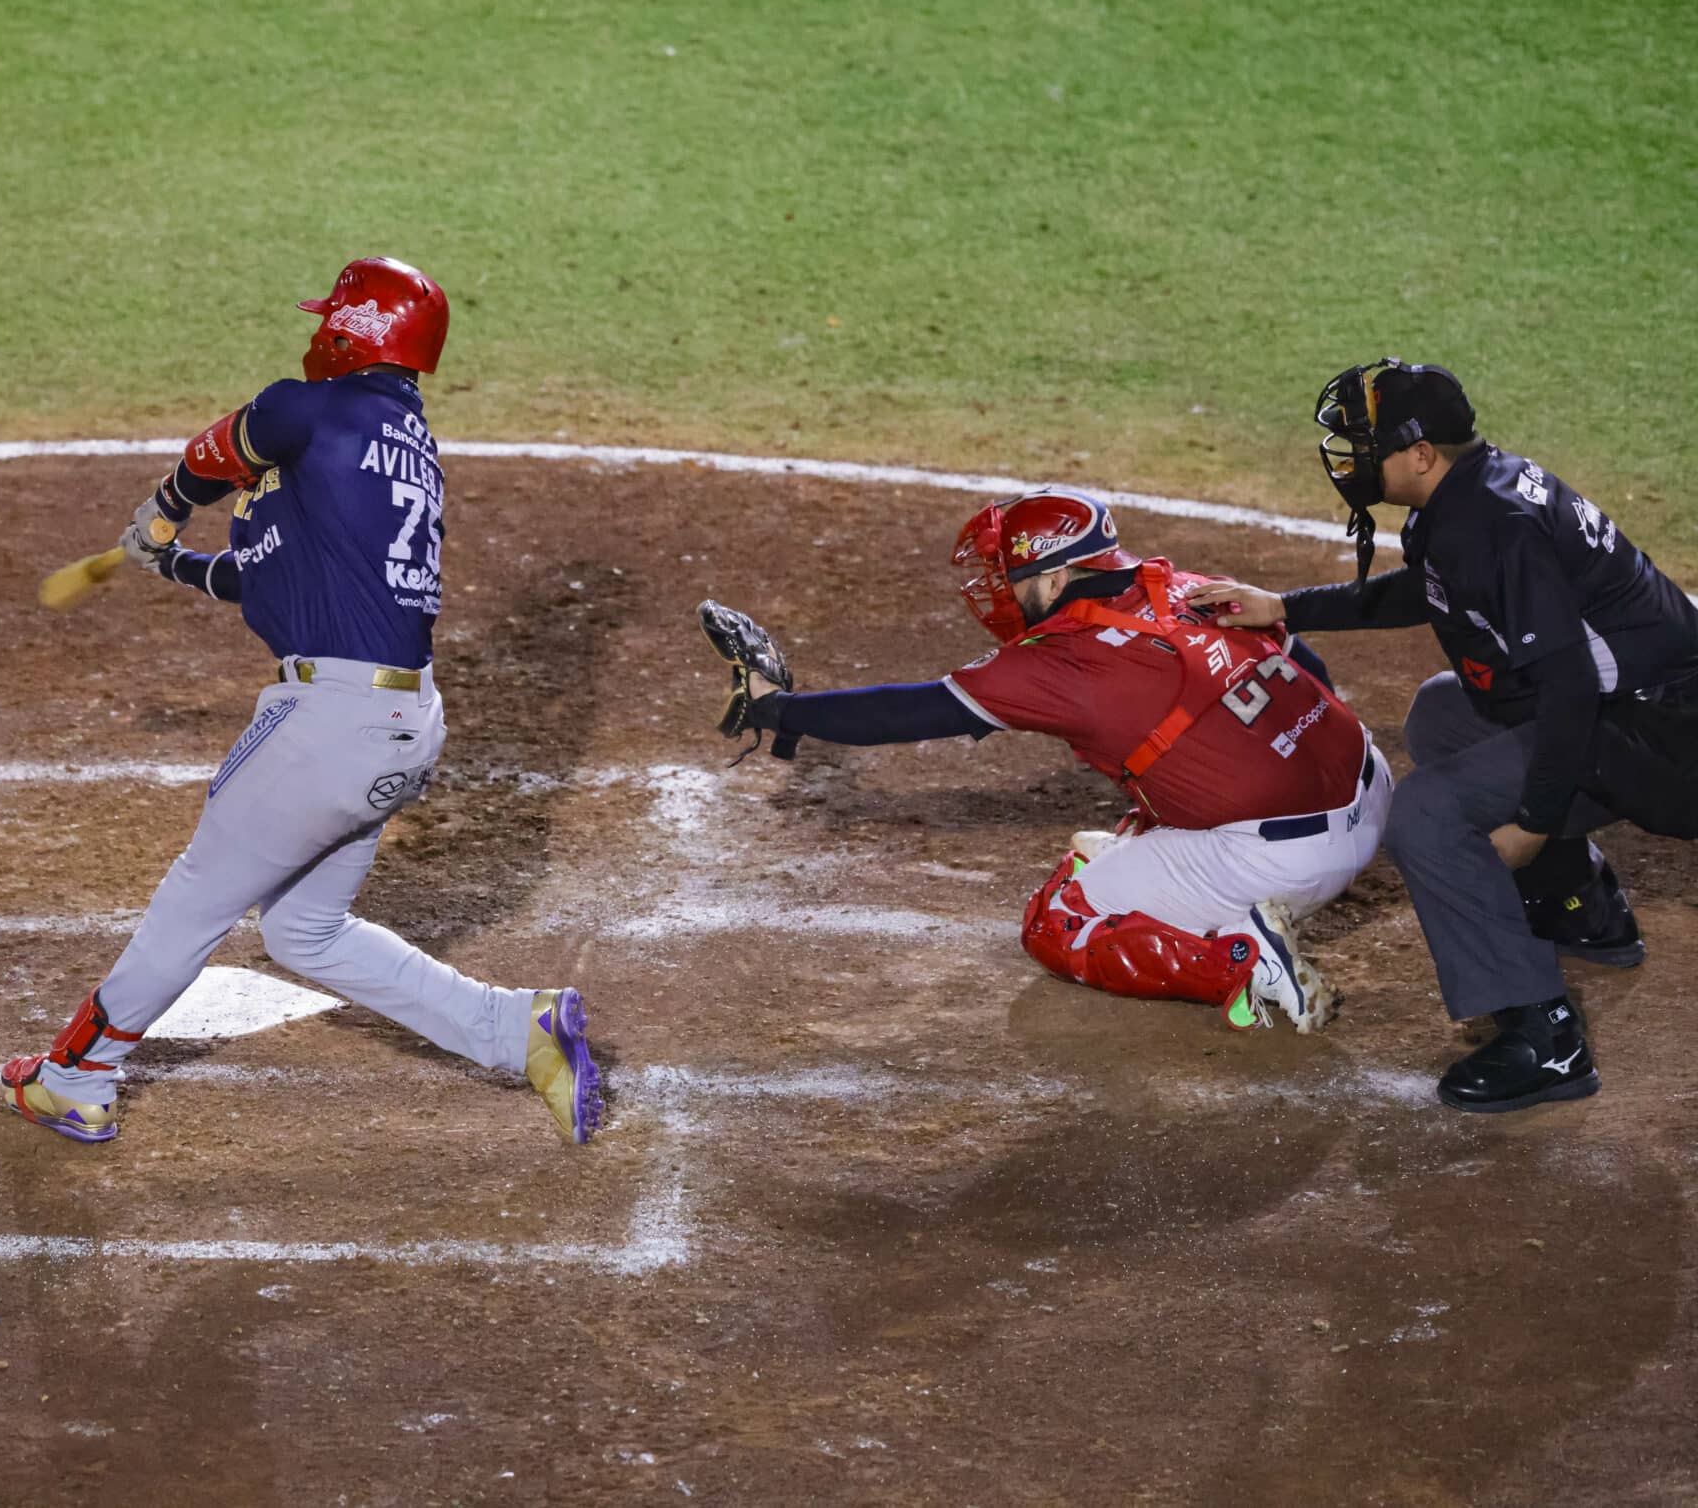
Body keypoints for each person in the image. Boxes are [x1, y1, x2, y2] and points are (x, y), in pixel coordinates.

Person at [0, 257, 603, 1145]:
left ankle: (74, 1074)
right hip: (398, 725)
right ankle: (516, 1029)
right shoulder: (399, 447)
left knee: (197, 895)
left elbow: (217, 451)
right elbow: (275, 579)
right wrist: (175, 565)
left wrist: (166, 511)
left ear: (350, 330)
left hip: (329, 724)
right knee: (306, 931)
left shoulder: (307, 408)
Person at [1191, 359, 1698, 1112]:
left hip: (1664, 740)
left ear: (1421, 453)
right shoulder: (1471, 493)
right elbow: (1426, 590)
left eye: (1367, 444)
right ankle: (1582, 907)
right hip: (1636, 711)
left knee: (1426, 814)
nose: (1352, 457)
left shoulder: (1495, 528)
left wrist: (1530, 823)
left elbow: (1566, 691)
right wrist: (1285, 607)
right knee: (1442, 713)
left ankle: (1545, 1038)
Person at [707, 490, 1388, 1031]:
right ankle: (1210, 871)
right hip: (1370, 786)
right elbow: (1312, 669)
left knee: (1058, 922)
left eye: (1014, 575)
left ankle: (1242, 961)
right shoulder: (1179, 584)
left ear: (1059, 572)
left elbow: (907, 712)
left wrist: (776, 708)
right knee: (1163, 782)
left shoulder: (1060, 662)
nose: (1002, 590)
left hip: (1289, 860)